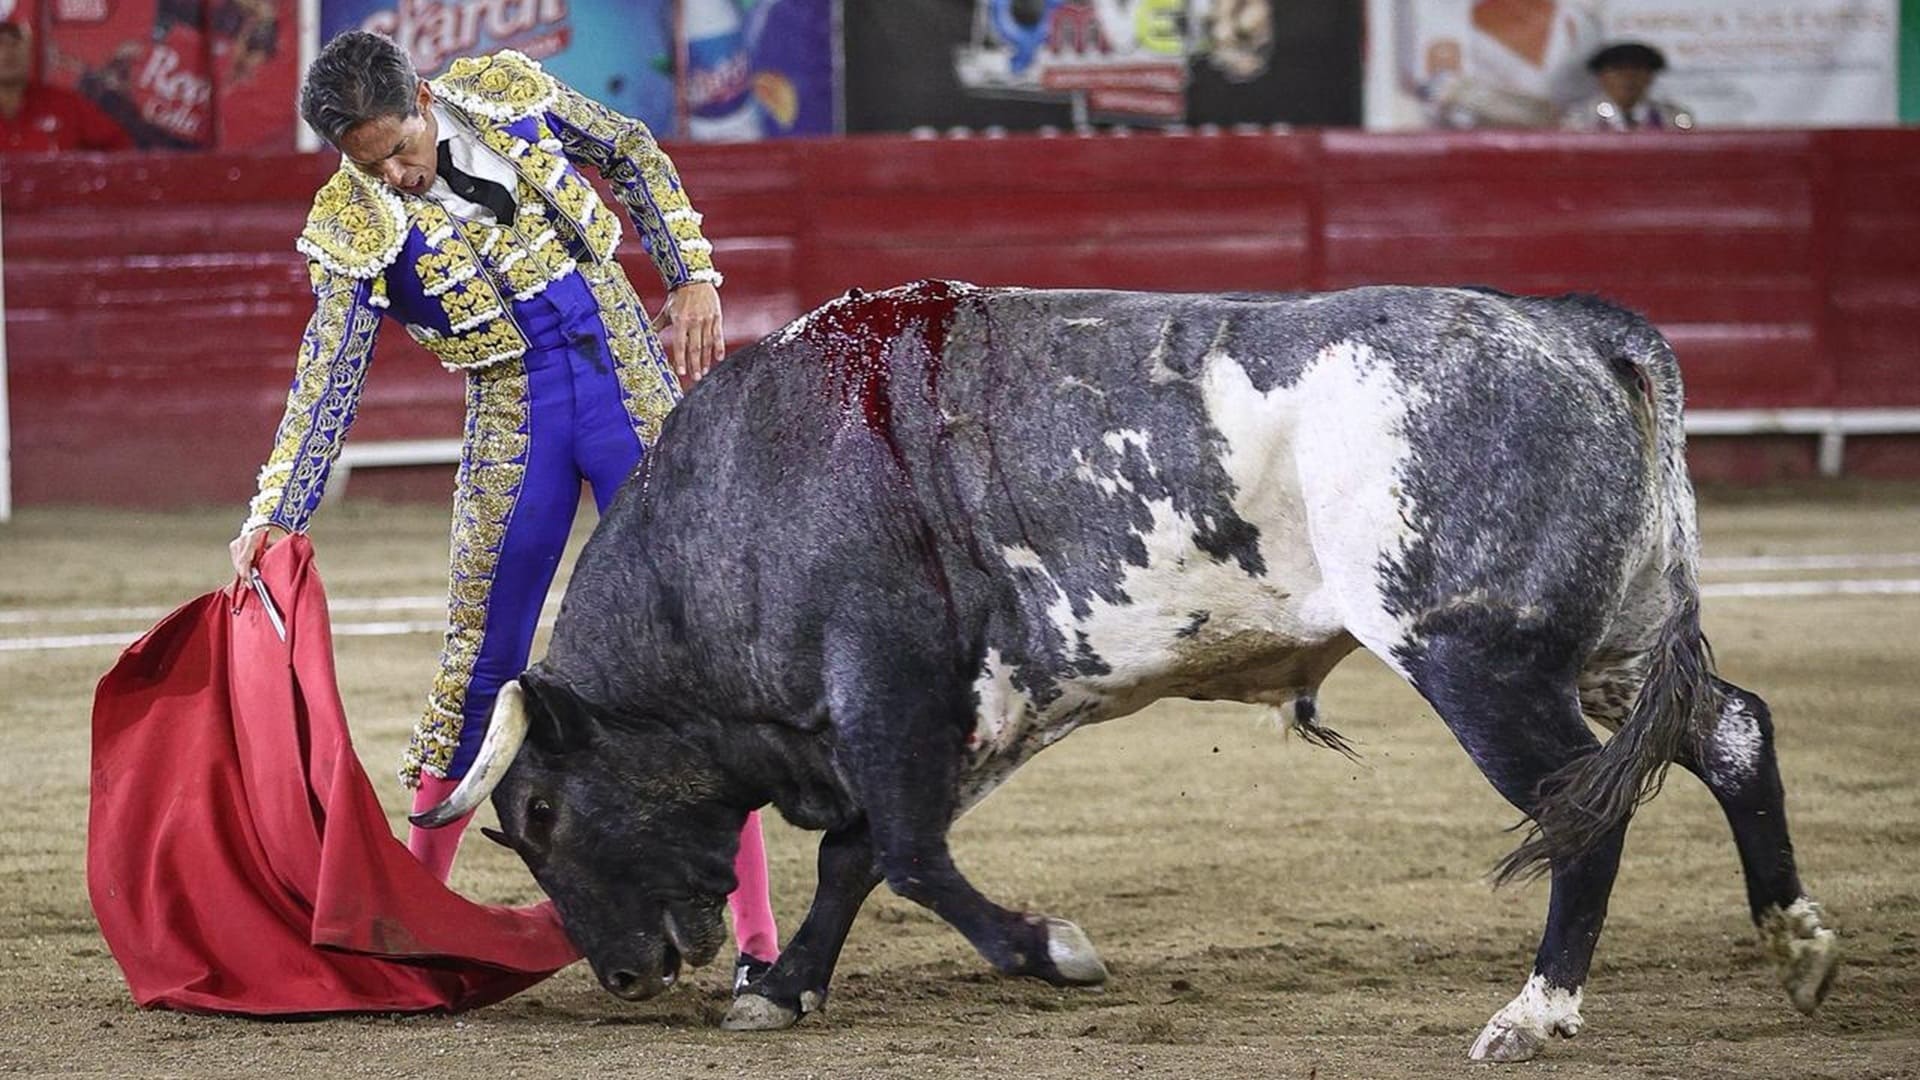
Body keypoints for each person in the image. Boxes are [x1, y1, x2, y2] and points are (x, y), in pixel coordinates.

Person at [226, 31, 778, 989]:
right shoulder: (350, 225)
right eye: (369, 164)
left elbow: (632, 151)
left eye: (401, 149)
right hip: (512, 415)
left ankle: (761, 942)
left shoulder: (507, 94)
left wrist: (691, 270)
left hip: (625, 386)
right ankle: (414, 925)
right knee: (482, 654)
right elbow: (328, 380)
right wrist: (278, 508)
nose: (393, 176)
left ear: (424, 102)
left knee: (697, 643)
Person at [0, 18, 132, 152]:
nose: (7, 53)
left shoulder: (65, 104)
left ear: (29, 50)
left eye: (15, 43)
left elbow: (120, 149)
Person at [1562, 41, 1694, 132]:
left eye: (1636, 70)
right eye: (1618, 71)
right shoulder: (1579, 119)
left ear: (1650, 77)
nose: (1628, 78)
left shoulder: (1673, 117)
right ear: (1601, 77)